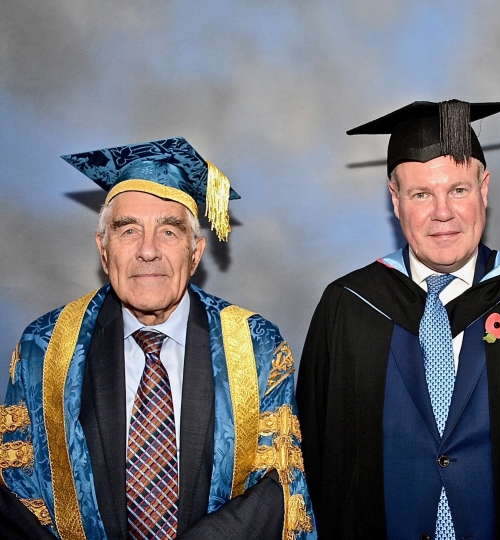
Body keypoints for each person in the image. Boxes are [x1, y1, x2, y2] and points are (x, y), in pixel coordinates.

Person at [296, 100, 500, 539]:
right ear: (395, 200)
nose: (443, 212)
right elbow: (312, 467)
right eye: (421, 194)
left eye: (458, 189)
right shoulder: (348, 309)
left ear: (484, 189)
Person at [0, 137, 315, 539]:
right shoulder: (44, 349)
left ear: (196, 252)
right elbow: (18, 495)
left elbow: (275, 489)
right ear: (103, 249)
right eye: (128, 230)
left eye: (169, 231)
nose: (147, 250)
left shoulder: (256, 348)